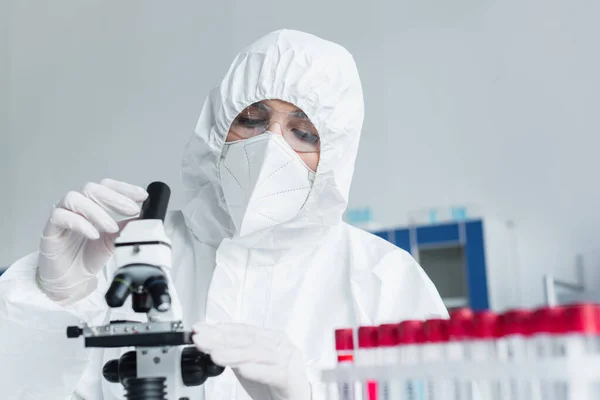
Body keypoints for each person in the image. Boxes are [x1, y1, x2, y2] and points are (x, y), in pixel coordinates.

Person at [0, 29, 447, 399]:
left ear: (335, 153)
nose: (269, 147)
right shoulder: (134, 254)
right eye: (252, 120)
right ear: (218, 126)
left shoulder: (383, 281)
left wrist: (307, 394)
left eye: (303, 132)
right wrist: (52, 299)